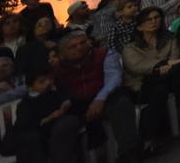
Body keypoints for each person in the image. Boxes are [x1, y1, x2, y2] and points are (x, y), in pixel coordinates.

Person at [50, 30, 139, 162]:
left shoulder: (104, 54)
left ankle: (129, 154)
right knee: (64, 126)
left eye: (82, 43)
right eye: (73, 47)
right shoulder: (56, 68)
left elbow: (114, 78)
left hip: (105, 97)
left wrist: (100, 99)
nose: (79, 48)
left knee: (122, 104)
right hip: (76, 105)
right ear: (62, 52)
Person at [121, 7, 180, 151]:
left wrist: (167, 66)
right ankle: (149, 138)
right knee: (159, 87)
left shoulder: (169, 39)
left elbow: (176, 58)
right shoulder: (131, 47)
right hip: (144, 82)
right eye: (149, 19)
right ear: (139, 26)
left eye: (156, 18)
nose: (154, 21)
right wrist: (161, 65)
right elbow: (136, 67)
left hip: (170, 75)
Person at [0, 61, 73, 163]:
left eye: (50, 79)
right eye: (42, 81)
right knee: (31, 140)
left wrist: (66, 103)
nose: (48, 82)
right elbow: (24, 125)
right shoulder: (26, 103)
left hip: (41, 138)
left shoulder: (55, 94)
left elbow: (66, 101)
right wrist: (49, 118)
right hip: (23, 137)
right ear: (30, 87)